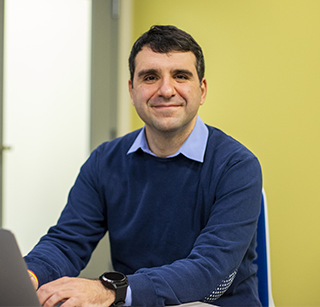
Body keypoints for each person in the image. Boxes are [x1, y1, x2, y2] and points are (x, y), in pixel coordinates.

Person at [24, 25, 263, 307]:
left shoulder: (237, 166)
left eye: (181, 76)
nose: (165, 89)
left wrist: (110, 291)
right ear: (132, 89)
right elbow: (67, 242)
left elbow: (209, 270)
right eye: (150, 77)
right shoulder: (105, 161)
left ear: (202, 90)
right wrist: (30, 274)